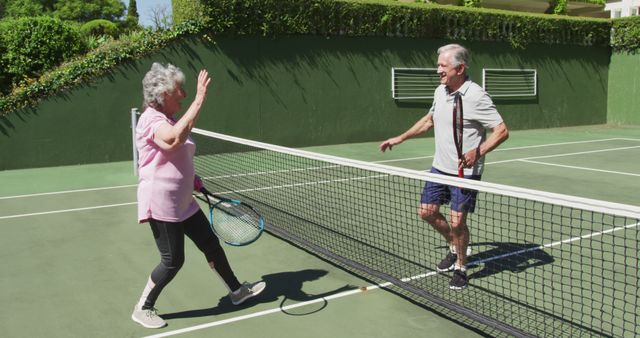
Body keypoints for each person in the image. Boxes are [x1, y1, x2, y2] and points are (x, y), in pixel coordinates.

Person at [131, 63, 266, 329]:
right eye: (178, 90)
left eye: (184, 90)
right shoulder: (151, 120)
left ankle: (236, 291)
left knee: (210, 244)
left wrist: (190, 178)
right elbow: (172, 141)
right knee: (172, 261)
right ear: (163, 93)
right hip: (161, 203)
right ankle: (142, 307)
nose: (182, 95)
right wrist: (200, 98)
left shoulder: (169, 119)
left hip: (184, 201)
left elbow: (176, 150)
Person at [379, 44, 509, 290]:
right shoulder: (441, 91)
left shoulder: (476, 96)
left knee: (458, 221)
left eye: (442, 65)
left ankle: (461, 265)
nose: (437, 69)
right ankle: (455, 245)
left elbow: (502, 131)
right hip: (439, 167)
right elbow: (428, 120)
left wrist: (478, 151)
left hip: (464, 173)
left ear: (459, 68)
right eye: (438, 64)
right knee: (426, 212)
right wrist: (400, 137)